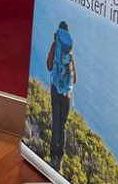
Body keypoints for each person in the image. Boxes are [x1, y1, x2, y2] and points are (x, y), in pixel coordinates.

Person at [46, 20, 77, 170]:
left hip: (55, 90)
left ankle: (52, 156)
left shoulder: (55, 45)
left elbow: (48, 66)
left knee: (55, 123)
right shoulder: (70, 51)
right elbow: (75, 79)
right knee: (62, 126)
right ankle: (60, 159)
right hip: (67, 94)